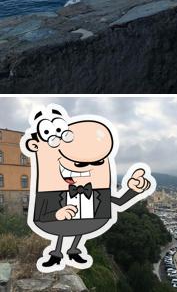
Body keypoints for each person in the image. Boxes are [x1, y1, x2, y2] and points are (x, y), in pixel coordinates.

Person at [22, 106, 155, 272]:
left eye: (98, 162)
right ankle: (56, 254)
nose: (85, 167)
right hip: (59, 223)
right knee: (63, 230)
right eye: (79, 163)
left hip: (87, 222)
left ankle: (73, 250)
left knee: (79, 228)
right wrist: (57, 214)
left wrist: (133, 190)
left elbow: (119, 202)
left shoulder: (97, 191)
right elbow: (41, 216)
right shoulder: (50, 192)